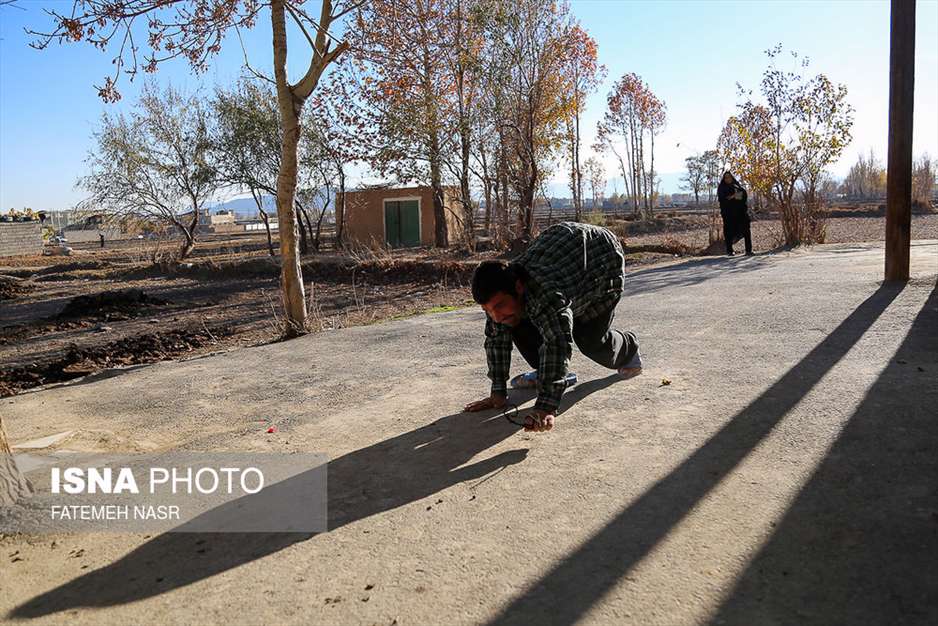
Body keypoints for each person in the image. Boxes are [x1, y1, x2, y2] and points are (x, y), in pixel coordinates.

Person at [464, 222, 642, 433]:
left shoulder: (545, 292)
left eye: (500, 305)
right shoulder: (501, 294)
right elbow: (496, 340)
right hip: (563, 257)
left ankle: (629, 348)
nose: (495, 315)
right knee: (512, 321)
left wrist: (546, 406)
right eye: (488, 310)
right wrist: (498, 392)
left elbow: (557, 343)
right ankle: (552, 376)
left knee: (590, 340)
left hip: (602, 263)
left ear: (518, 287)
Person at [717, 171, 753, 256]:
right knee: (729, 232)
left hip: (740, 213)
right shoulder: (722, 188)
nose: (728, 179)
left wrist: (734, 196)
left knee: (746, 230)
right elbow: (723, 199)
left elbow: (743, 195)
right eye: (726, 177)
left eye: (729, 177)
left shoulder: (736, 185)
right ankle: (730, 251)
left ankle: (748, 250)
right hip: (728, 214)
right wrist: (734, 196)